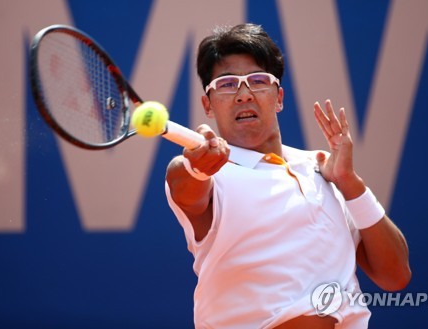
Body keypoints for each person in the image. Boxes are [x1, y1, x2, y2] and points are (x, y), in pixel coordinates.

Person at [165, 23, 411, 329]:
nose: (243, 94)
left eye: (257, 80)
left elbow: (396, 275)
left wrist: (351, 185)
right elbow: (183, 185)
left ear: (278, 97)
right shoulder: (209, 175)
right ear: (208, 105)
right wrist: (197, 167)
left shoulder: (324, 169)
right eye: (227, 84)